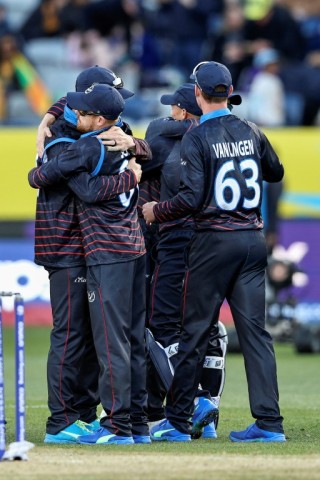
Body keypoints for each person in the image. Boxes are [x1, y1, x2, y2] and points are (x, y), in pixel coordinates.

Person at [142, 60, 286, 443]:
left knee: (194, 331)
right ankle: (269, 424)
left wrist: (156, 210)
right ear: (229, 90)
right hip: (252, 243)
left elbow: (189, 198)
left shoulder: (197, 137)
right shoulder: (251, 129)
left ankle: (175, 421)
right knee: (256, 333)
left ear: (198, 94)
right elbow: (275, 172)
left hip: (214, 242)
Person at [28, 66, 148, 445]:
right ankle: (62, 420)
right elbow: (70, 182)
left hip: (91, 246)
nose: (120, 115)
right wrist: (131, 175)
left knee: (94, 336)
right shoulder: (63, 138)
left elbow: (143, 146)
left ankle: (85, 414)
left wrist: (135, 146)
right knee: (71, 334)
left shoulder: (98, 129)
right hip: (65, 246)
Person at [145, 83, 238, 439]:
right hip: (214, 243)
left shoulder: (164, 136)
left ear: (185, 111)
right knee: (208, 330)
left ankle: (195, 403)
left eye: (174, 108)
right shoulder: (226, 140)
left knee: (162, 328)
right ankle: (209, 418)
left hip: (175, 243)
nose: (169, 112)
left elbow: (146, 145)